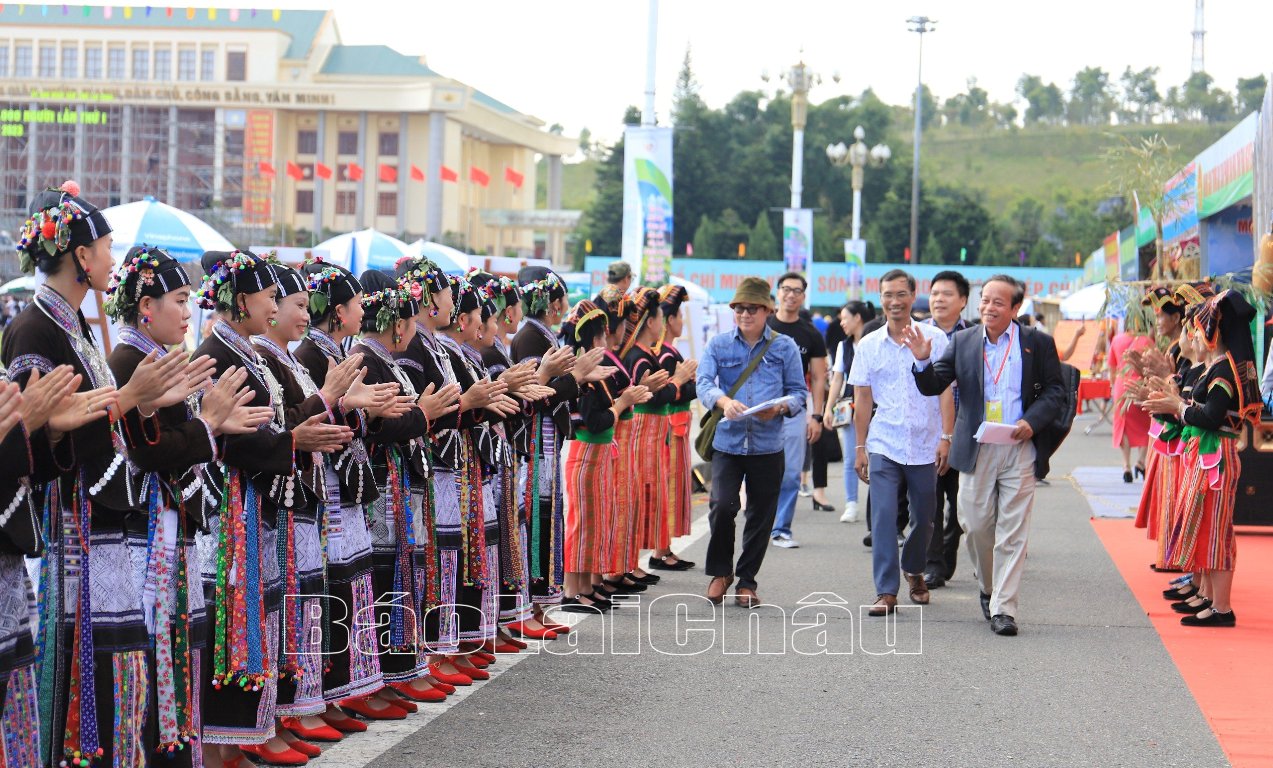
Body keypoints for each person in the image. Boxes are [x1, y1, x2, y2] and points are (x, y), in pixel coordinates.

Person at [3, 184, 195, 767]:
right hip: (70, 527)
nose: (113, 259)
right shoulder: (35, 330)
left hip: (94, 523)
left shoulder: (73, 325)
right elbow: (45, 434)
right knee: (71, 667)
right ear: (82, 256)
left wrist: (116, 406)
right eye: (108, 247)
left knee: (116, 657)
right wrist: (126, 400)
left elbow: (74, 424)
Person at [104, 246, 272, 765]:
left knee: (177, 648)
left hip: (171, 530)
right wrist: (209, 425)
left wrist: (209, 425)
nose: (187, 310)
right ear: (146, 307)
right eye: (178, 299)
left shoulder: (154, 360)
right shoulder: (128, 362)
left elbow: (176, 441)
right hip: (144, 537)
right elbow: (147, 451)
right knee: (156, 652)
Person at [906, 274, 1066, 637]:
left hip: (1019, 446)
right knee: (976, 524)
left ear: (1015, 308)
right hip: (976, 446)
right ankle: (988, 585)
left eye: (998, 302)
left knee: (1013, 530)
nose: (989, 307)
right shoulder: (962, 342)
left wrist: (1031, 421)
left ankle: (1004, 608)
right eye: (985, 301)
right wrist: (921, 362)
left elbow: (1056, 392)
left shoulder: (1037, 343)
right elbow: (934, 384)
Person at [1145, 290, 1262, 627]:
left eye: (1198, 328)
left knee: (1217, 532)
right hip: (1208, 454)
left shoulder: (1225, 371)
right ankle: (1210, 599)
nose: (1195, 336)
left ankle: (1221, 607)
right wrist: (1174, 402)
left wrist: (1176, 406)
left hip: (1217, 456)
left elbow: (1211, 417)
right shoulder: (1220, 367)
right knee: (1207, 528)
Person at [696, 277, 807, 608]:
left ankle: (747, 581)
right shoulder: (718, 344)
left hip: (768, 445)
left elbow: (799, 393)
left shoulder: (784, 347)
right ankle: (720, 573)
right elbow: (702, 382)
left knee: (761, 516)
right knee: (721, 506)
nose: (745, 314)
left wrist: (780, 408)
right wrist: (722, 401)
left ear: (767, 310)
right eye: (739, 308)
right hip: (728, 443)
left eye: (752, 308)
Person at [849, 269, 953, 618]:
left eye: (900, 294)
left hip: (925, 443)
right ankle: (886, 591)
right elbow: (862, 398)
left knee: (924, 517)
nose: (894, 302)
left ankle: (914, 569)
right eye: (887, 295)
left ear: (913, 296)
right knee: (882, 518)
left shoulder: (936, 339)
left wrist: (946, 437)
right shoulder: (868, 344)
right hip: (884, 443)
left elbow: (946, 393)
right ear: (880, 299)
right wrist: (860, 447)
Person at [767, 272, 827, 549]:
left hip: (793, 410)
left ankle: (781, 528)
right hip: (760, 408)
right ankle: (760, 523)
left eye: (797, 291)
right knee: (759, 471)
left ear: (804, 296)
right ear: (778, 292)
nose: (791, 295)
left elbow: (817, 378)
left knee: (791, 472)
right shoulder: (763, 325)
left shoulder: (811, 333)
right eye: (786, 289)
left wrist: (816, 415)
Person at [922, 270, 972, 589]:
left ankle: (949, 553)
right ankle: (934, 564)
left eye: (947, 294)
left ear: (963, 301)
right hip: (927, 432)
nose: (939, 299)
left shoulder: (975, 338)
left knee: (962, 503)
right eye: (935, 293)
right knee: (929, 501)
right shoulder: (917, 335)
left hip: (966, 433)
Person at [823, 300, 876, 523]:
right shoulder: (843, 346)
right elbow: (837, 379)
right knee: (851, 457)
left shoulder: (876, 342)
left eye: (845, 318)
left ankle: (878, 508)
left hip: (878, 408)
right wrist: (828, 408)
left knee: (880, 459)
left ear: (858, 318)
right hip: (851, 408)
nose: (841, 323)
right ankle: (851, 503)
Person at [1108, 310, 1155, 482]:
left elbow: (1112, 367)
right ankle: (1141, 462)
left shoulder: (1117, 339)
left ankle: (1126, 465)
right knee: (1147, 423)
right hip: (1141, 386)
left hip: (1122, 385)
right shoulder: (1147, 342)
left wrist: (1114, 385)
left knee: (1123, 426)